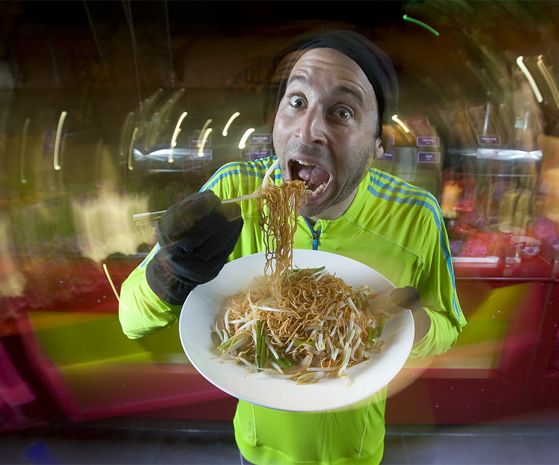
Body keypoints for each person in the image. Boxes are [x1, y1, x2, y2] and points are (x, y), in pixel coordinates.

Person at [119, 29, 466, 465]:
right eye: (297, 102)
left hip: (355, 455)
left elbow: (449, 327)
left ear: (378, 143)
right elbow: (130, 319)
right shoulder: (233, 194)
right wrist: (168, 274)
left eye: (342, 111)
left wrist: (410, 323)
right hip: (258, 451)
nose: (309, 130)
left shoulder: (415, 215)